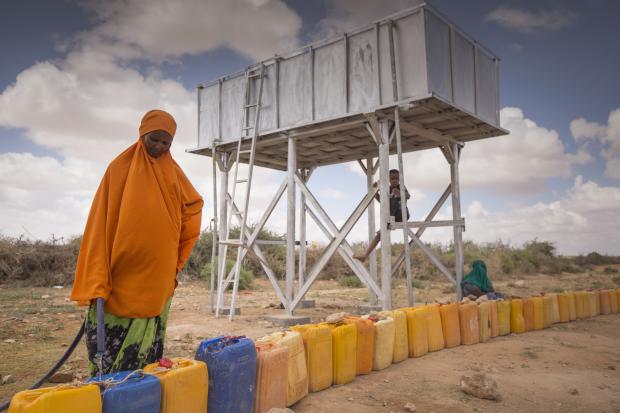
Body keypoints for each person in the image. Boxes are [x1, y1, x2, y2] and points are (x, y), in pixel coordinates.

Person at [70, 109, 204, 376]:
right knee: (107, 347)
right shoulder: (118, 169)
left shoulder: (174, 174)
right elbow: (100, 225)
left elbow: (194, 205)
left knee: (148, 353)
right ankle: (108, 389)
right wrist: (98, 277)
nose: (159, 147)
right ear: (142, 134)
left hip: (157, 278)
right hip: (121, 277)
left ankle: (141, 389)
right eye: (154, 139)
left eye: (166, 143)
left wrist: (173, 255)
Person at [354, 169, 410, 262]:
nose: (395, 180)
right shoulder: (387, 189)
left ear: (399, 179)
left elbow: (408, 196)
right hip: (391, 216)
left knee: (394, 203)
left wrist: (400, 194)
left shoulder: (401, 187)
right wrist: (375, 191)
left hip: (402, 215)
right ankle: (365, 255)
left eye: (396, 178)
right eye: (392, 179)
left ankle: (387, 221)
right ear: (389, 179)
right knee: (379, 235)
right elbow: (382, 202)